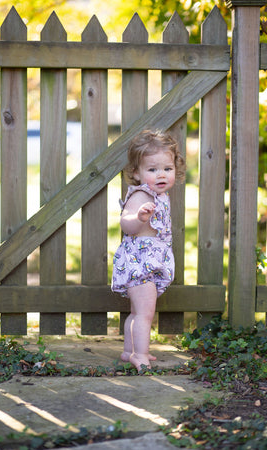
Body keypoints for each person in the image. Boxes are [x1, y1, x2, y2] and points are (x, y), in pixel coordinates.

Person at [111, 129, 185, 372]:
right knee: (145, 312)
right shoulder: (141, 194)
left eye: (167, 168)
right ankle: (140, 354)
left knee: (137, 311)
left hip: (150, 261)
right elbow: (126, 223)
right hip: (140, 263)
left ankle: (129, 350)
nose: (161, 174)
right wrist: (139, 217)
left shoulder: (160, 195)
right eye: (152, 169)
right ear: (136, 172)